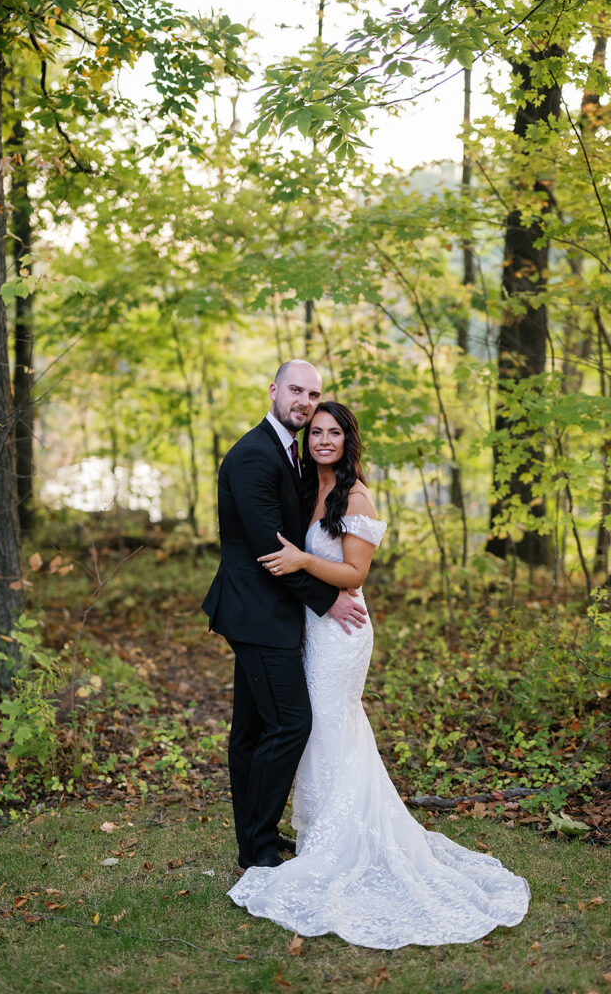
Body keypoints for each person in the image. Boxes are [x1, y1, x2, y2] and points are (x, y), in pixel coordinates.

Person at [227, 401, 530, 948]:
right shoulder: (304, 484)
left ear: (348, 440)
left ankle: (342, 840)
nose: (322, 439)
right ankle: (320, 833)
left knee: (327, 724)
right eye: (315, 431)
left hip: (341, 633)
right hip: (312, 628)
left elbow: (355, 572)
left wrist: (303, 563)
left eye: (333, 432)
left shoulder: (355, 495)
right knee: (319, 730)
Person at [202, 363, 368, 872]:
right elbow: (270, 551)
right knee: (291, 724)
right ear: (274, 390)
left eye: (312, 394)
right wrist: (326, 598)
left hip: (272, 612)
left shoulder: (288, 452)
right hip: (258, 613)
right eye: (296, 390)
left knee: (251, 732)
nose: (303, 400)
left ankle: (257, 839)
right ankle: (258, 847)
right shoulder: (255, 455)